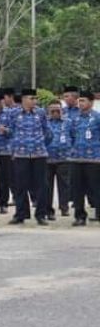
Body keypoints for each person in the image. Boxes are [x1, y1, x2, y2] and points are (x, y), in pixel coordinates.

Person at [5, 88, 52, 226]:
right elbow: (10, 132)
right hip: (21, 154)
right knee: (20, 185)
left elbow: (47, 132)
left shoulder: (41, 112)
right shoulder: (13, 113)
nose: (34, 101)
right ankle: (21, 214)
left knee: (42, 185)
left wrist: (41, 144)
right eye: (32, 98)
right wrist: (6, 133)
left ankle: (41, 214)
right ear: (24, 99)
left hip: (39, 154)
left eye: (35, 99)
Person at [68, 91, 100, 226]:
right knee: (77, 189)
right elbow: (71, 136)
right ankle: (80, 216)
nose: (81, 103)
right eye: (79, 101)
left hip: (93, 159)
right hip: (77, 159)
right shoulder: (74, 119)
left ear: (91, 102)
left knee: (96, 188)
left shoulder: (97, 118)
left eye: (84, 101)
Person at [45, 99, 72, 218]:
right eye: (53, 110)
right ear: (48, 111)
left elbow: (74, 136)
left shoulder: (68, 122)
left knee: (64, 185)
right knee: (47, 186)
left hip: (64, 158)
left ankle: (64, 207)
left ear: (62, 110)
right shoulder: (44, 123)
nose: (55, 112)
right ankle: (49, 210)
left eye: (58, 110)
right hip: (47, 158)